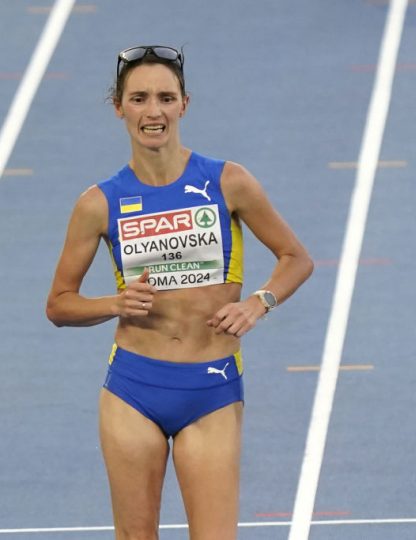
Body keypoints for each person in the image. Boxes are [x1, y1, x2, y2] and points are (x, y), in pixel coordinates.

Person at [46, 45, 313, 539]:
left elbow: (296, 259)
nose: (154, 112)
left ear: (184, 105)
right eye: (140, 98)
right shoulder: (98, 204)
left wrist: (260, 302)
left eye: (166, 98)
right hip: (133, 387)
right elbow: (59, 304)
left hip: (210, 387)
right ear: (119, 107)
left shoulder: (227, 181)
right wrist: (113, 303)